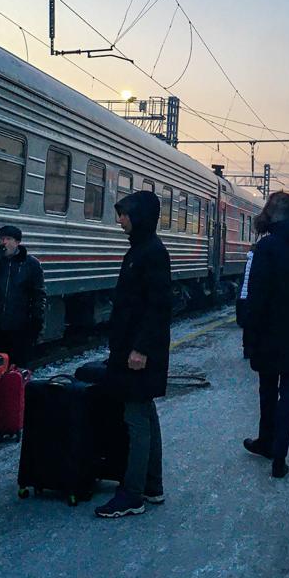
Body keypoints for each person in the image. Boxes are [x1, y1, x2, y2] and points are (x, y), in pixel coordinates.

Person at [95, 190, 172, 519]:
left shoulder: (150, 253)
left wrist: (140, 348)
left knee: (136, 419)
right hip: (133, 348)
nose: (119, 220)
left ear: (139, 215)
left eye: (124, 214)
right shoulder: (141, 250)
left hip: (138, 351)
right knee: (145, 414)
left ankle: (133, 494)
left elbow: (157, 307)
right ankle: (152, 485)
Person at [242, 192, 289, 478]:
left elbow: (256, 295)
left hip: (268, 328)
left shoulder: (267, 247)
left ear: (274, 214)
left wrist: (250, 332)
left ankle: (266, 441)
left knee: (267, 387)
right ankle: (280, 456)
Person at [0, 224, 46, 368]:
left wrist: (37, 322)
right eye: (1, 239)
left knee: (17, 366)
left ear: (17, 242)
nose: (3, 242)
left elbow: (38, 294)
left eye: (8, 239)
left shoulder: (31, 264)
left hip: (19, 327)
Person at [236, 243, 257, 359]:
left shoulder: (248, 260)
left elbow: (244, 278)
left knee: (247, 326)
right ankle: (252, 349)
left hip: (244, 296)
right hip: (252, 296)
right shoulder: (258, 261)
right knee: (253, 325)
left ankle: (246, 350)